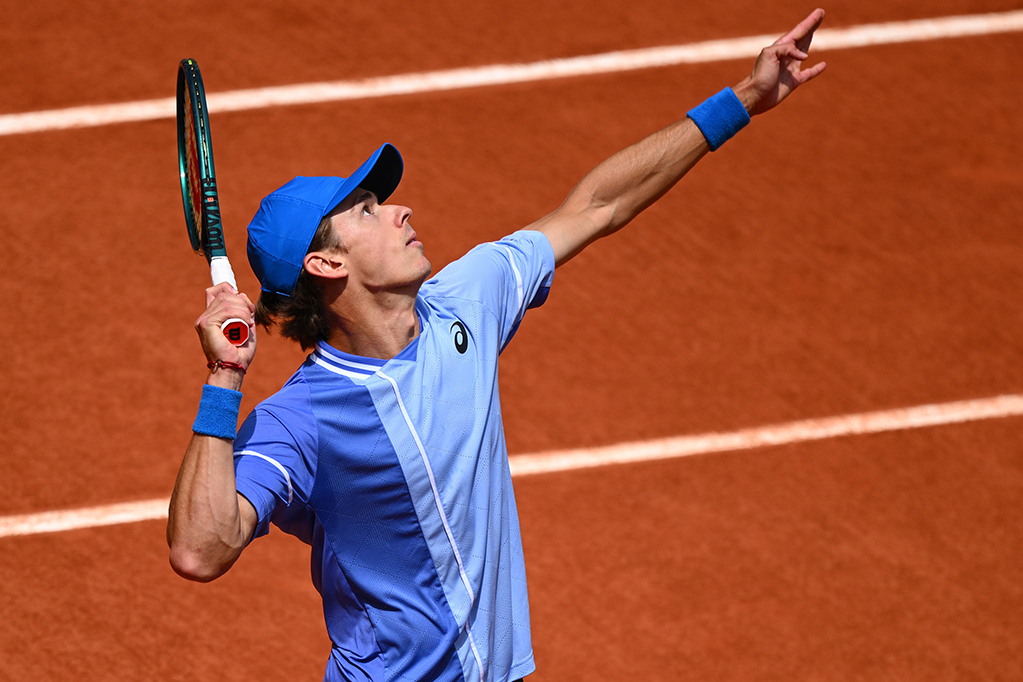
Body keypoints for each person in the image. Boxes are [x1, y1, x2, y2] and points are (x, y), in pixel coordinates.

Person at [167, 9, 827, 682]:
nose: (400, 209)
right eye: (367, 210)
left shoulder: (466, 302)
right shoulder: (298, 421)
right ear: (327, 265)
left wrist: (743, 100)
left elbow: (596, 206)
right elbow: (200, 551)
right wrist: (224, 376)